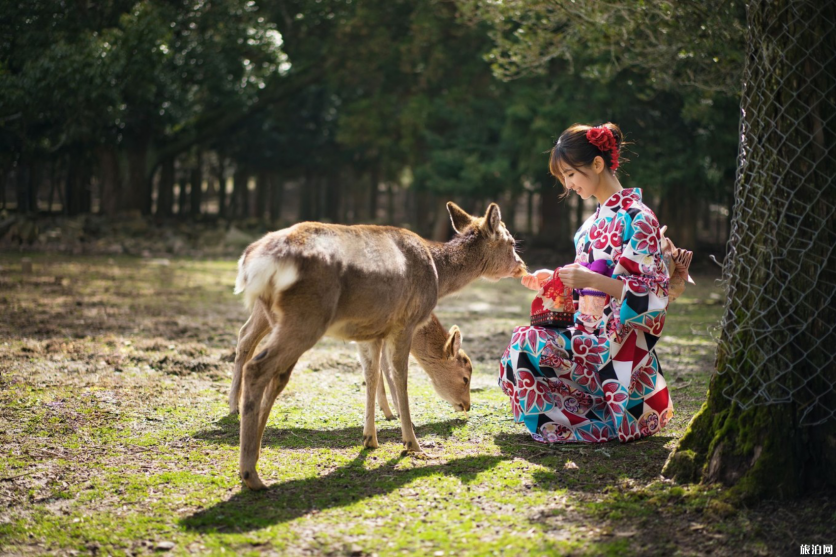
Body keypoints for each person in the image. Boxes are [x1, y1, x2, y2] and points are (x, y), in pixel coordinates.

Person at [500, 122, 692, 443]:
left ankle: (610, 417)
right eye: (562, 177)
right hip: (586, 335)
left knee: (528, 343)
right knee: (524, 341)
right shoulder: (589, 226)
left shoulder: (639, 218)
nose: (567, 184)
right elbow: (583, 290)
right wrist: (556, 279)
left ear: (598, 164)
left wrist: (591, 279)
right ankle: (575, 418)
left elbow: (652, 297)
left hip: (620, 346)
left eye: (571, 174)